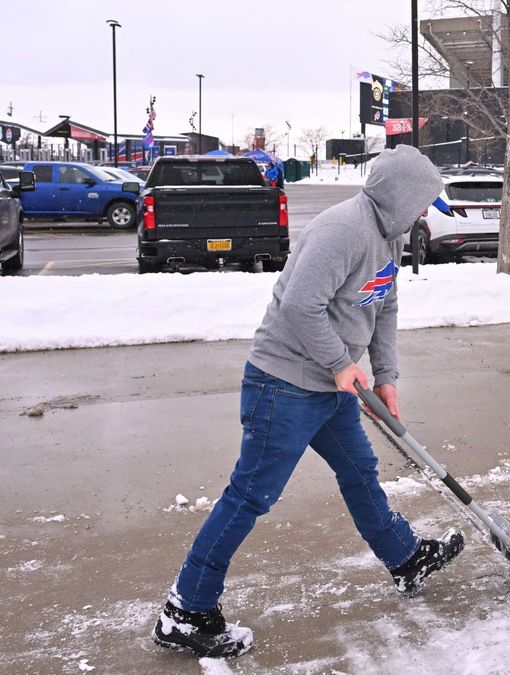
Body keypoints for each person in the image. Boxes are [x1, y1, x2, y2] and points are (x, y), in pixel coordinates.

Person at [151, 147, 465, 659]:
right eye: (423, 202)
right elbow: (300, 305)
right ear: (400, 196)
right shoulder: (341, 230)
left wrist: (384, 377)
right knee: (252, 494)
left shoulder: (389, 235)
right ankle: (185, 610)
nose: (426, 213)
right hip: (285, 383)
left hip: (330, 387)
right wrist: (343, 365)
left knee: (360, 472)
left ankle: (405, 558)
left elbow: (384, 304)